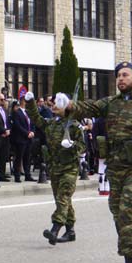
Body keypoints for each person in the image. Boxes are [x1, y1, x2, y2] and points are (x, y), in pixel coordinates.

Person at [57, 60, 132, 263]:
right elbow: (88, 108)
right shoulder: (111, 103)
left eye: (126, 75)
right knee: (117, 212)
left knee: (127, 208)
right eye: (118, 76)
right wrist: (69, 104)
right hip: (115, 167)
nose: (121, 79)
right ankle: (127, 262)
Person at [25, 91, 85, 245]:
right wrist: (30, 102)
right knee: (63, 201)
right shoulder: (51, 123)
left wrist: (72, 146)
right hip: (54, 167)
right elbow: (36, 119)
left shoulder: (74, 125)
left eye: (57, 103)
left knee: (63, 197)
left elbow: (82, 146)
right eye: (53, 103)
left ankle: (55, 229)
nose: (53, 106)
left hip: (69, 168)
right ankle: (70, 231)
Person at [11, 96, 36, 182]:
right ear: (22, 101)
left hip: (29, 139)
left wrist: (32, 132)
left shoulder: (28, 112)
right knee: (19, 158)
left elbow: (32, 123)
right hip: (21, 138)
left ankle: (27, 175)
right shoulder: (17, 112)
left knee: (27, 158)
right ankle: (17, 176)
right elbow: (17, 126)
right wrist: (27, 133)